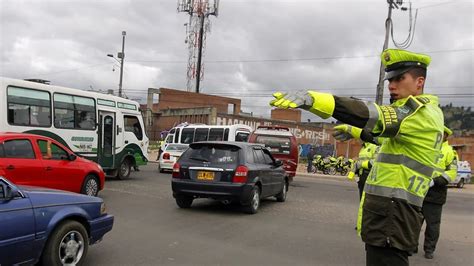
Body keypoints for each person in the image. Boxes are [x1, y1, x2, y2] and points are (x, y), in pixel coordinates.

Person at [269, 49, 444, 266]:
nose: (391, 85)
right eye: (390, 79)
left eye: (400, 78)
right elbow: (385, 139)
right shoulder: (416, 118)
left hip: (393, 214)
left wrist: (316, 100)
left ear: (420, 82)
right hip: (392, 213)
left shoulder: (420, 113)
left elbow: (370, 113)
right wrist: (356, 132)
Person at [421, 126, 458, 259]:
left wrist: (435, 181)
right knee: (413, 222)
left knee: (433, 225)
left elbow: (452, 173)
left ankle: (429, 249)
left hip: (436, 193)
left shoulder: (450, 152)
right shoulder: (426, 147)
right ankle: (410, 246)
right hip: (419, 190)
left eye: (441, 134)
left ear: (446, 136)